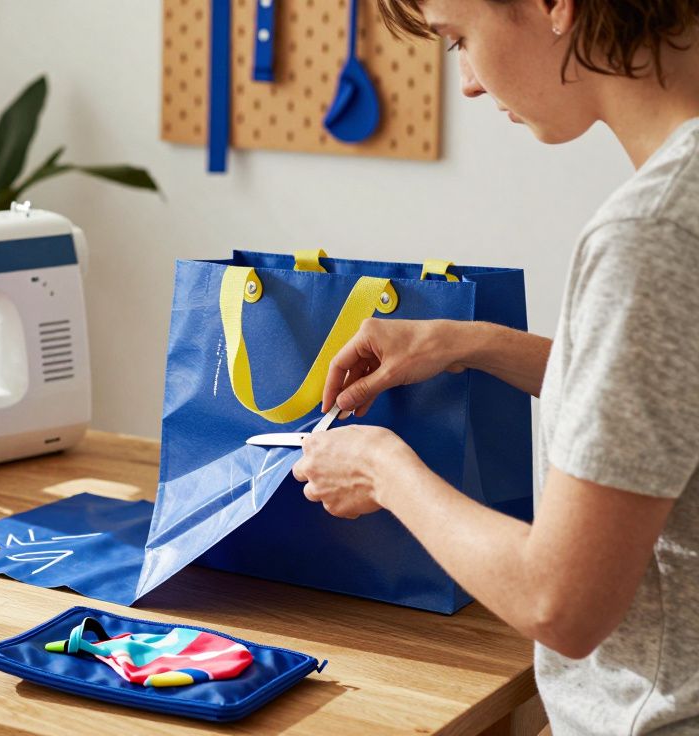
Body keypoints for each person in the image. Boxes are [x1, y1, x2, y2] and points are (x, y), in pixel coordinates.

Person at [289, 0, 699, 732]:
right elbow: (671, 402)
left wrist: (383, 469)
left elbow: (559, 603)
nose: (471, 83)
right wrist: (474, 343)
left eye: (458, 39)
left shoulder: (650, 234)